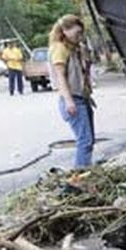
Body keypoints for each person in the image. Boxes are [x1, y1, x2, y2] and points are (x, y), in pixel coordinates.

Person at [49, 15, 94, 169]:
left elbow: (84, 72)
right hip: (73, 100)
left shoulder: (74, 49)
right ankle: (80, 176)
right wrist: (69, 101)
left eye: (80, 33)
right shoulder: (60, 49)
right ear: (65, 31)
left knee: (89, 140)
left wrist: (85, 56)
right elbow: (60, 76)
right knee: (85, 141)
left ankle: (85, 171)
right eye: (76, 33)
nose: (79, 36)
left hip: (83, 98)